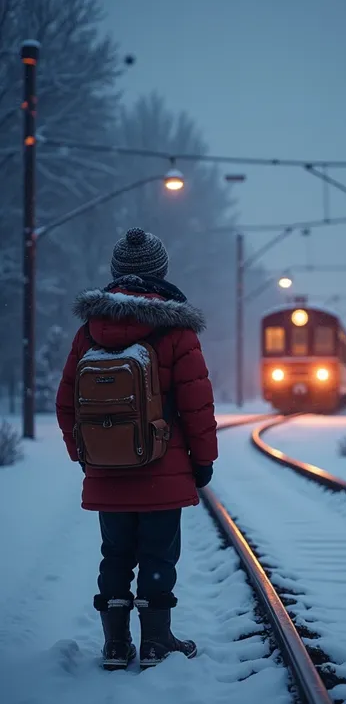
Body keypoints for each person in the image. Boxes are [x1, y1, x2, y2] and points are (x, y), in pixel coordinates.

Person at [56, 227, 218, 670]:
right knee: (158, 555)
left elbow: (65, 401)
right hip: (162, 468)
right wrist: (202, 461)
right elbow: (196, 404)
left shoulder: (89, 331)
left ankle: (113, 645)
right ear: (161, 271)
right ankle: (155, 642)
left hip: (106, 469)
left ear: (115, 273)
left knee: (116, 555)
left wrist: (87, 454)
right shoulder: (176, 330)